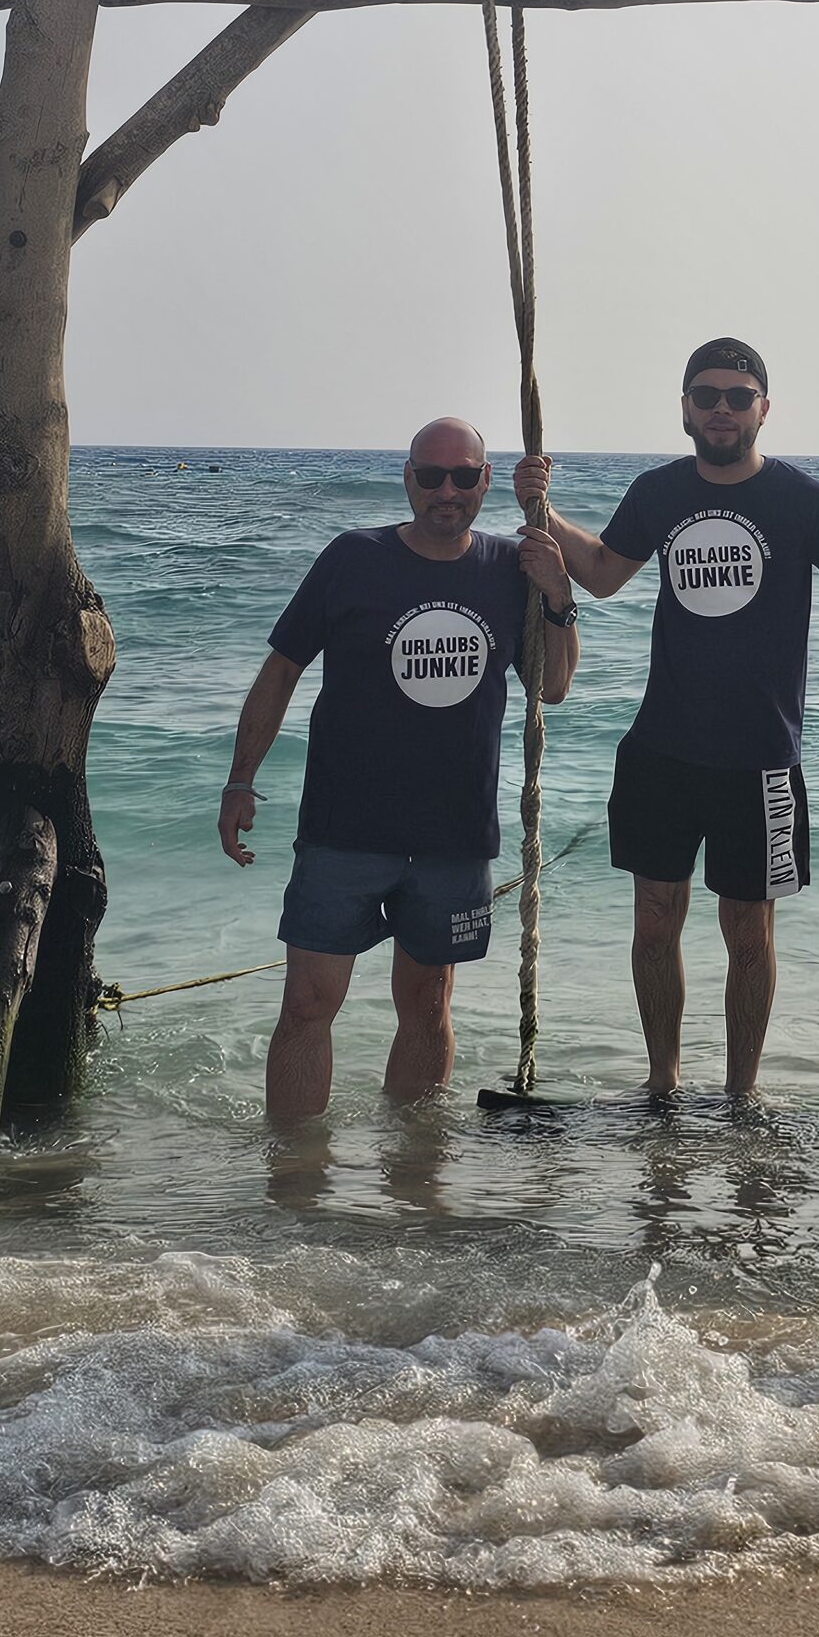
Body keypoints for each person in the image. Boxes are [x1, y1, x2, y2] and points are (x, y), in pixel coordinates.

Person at [515, 337, 819, 1099]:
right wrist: (543, 511)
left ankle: (741, 1095)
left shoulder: (805, 501)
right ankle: (662, 1083)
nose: (722, 409)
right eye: (707, 396)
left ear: (763, 410)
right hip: (661, 751)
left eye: (738, 397)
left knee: (750, 933)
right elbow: (605, 573)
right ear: (684, 409)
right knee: (655, 922)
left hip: (762, 759)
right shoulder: (658, 492)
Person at [219, 417, 579, 1122]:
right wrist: (240, 781)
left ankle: (413, 1171)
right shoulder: (354, 558)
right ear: (408, 479)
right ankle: (293, 1171)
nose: (448, 491)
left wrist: (560, 594)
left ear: (485, 480)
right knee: (307, 1004)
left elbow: (555, 686)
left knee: (427, 1004)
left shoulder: (511, 568)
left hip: (453, 836)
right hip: (344, 829)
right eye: (432, 475)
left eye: (464, 476)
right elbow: (281, 670)